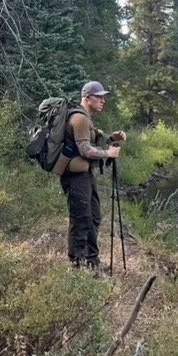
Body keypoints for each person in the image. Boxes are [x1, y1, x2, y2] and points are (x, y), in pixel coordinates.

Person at [59, 80, 126, 270]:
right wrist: (108, 153)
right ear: (87, 98)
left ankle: (92, 260)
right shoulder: (80, 119)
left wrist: (112, 139)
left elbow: (93, 138)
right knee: (80, 219)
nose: (103, 100)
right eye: (99, 97)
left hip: (84, 175)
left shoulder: (86, 118)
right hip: (75, 177)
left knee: (94, 216)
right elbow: (85, 149)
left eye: (103, 97)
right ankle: (77, 264)